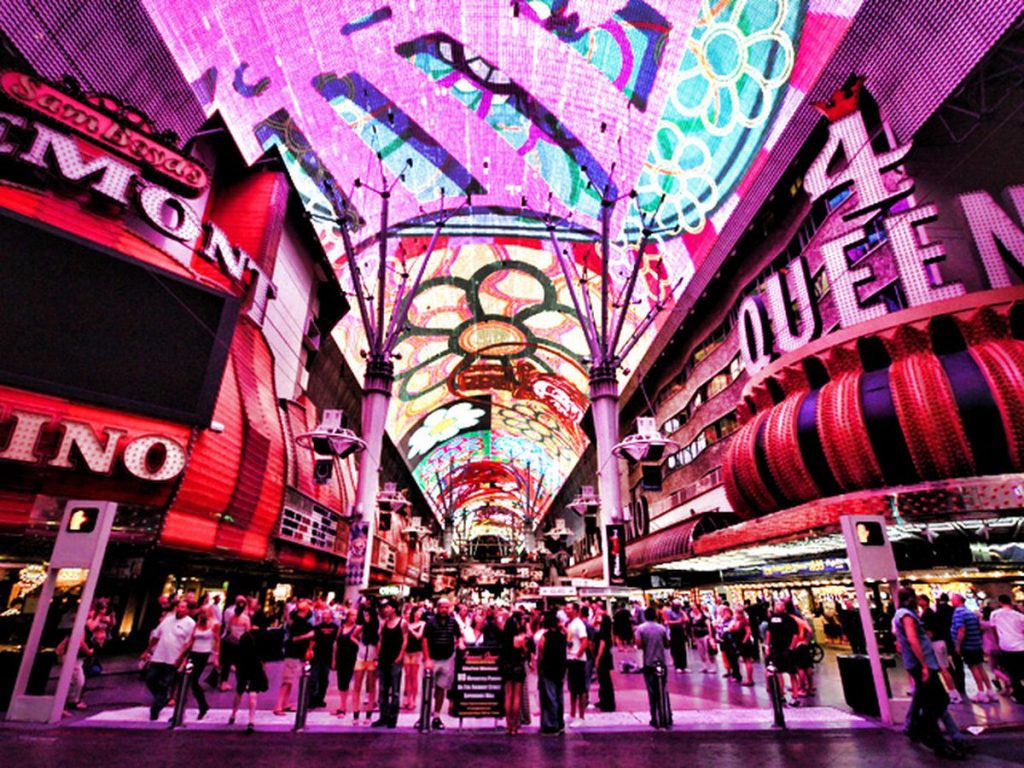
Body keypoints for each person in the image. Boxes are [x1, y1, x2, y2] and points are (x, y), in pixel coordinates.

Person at [893, 586, 963, 758]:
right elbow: (912, 638)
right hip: (921, 664)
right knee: (940, 700)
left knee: (928, 701)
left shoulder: (902, 615)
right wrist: (924, 664)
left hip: (920, 663)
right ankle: (923, 731)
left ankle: (932, 736)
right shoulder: (907, 616)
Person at [141, 599, 195, 721]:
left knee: (166, 683)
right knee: (151, 679)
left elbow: (188, 644)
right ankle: (161, 697)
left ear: (187, 610)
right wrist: (147, 650)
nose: (179, 609)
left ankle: (156, 707)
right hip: (159, 656)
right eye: (178, 607)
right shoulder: (168, 620)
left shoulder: (190, 624)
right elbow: (156, 635)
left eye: (183, 607)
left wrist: (182, 659)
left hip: (173, 659)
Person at [422, 597, 462, 730]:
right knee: (428, 688)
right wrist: (427, 658)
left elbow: (459, 635)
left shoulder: (453, 622)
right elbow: (425, 640)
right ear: (437, 608)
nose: (444, 609)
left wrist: (459, 643)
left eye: (447, 607)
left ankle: (436, 716)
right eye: (442, 607)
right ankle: (424, 715)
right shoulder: (431, 622)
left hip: (446, 659)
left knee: (441, 688)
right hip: (433, 659)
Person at [950, 594, 995, 703]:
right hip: (976, 643)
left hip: (968, 645)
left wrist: (958, 645)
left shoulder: (958, 613)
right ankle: (990, 691)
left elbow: (961, 630)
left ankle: (980, 693)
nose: (951, 602)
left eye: (953, 599)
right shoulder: (970, 612)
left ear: (958, 600)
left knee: (973, 668)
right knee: (980, 667)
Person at [178, 604, 219, 720]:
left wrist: (216, 656)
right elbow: (191, 639)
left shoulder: (214, 624)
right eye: (202, 612)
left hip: (203, 654)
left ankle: (203, 705)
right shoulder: (197, 624)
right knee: (185, 677)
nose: (203, 614)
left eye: (205, 612)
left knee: (194, 679)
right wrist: (182, 654)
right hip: (193, 654)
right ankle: (184, 708)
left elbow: (217, 641)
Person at [274, 598, 314, 716]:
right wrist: (308, 635)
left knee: (291, 680)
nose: (309, 604)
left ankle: (285, 703)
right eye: (306, 603)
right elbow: (294, 638)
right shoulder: (296, 620)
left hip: (300, 653)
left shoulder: (306, 618)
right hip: (292, 652)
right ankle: (278, 706)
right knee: (287, 680)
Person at [919, 594, 960, 704]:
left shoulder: (928, 614)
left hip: (936, 643)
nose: (918, 602)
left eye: (920, 600)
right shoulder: (930, 613)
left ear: (925, 601)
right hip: (940, 642)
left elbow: (930, 631)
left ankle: (953, 693)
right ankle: (952, 692)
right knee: (943, 668)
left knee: (943, 669)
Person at [373, 600, 408, 728]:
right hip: (384, 659)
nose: (385, 610)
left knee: (395, 691)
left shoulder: (402, 622)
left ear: (393, 608)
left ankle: (393, 718)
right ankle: (383, 716)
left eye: (387, 607)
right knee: (382, 690)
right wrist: (377, 656)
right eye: (384, 608)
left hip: (395, 659)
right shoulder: (384, 624)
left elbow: (405, 641)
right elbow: (380, 641)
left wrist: (400, 656)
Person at [635, 606, 671, 728]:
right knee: (663, 689)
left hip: (649, 662)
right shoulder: (661, 628)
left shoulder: (641, 629)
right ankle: (667, 716)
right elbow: (667, 644)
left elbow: (639, 645)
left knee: (651, 691)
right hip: (661, 661)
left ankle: (654, 717)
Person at [228, 626, 268, 734]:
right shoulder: (259, 643)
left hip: (242, 669)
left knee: (239, 692)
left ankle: (233, 714)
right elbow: (263, 659)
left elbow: (234, 659)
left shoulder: (241, 643)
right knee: (253, 694)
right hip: (255, 669)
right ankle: (251, 720)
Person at [499, 611, 531, 735]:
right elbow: (526, 653)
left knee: (508, 696)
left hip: (507, 665)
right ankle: (515, 727)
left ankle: (508, 726)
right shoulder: (521, 638)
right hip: (518, 666)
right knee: (517, 697)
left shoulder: (505, 637)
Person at [990, 594, 1024, 703]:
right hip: (1021, 645)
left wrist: (998, 641)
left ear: (1000, 602)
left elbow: (993, 629)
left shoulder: (995, 614)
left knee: (1013, 672)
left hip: (1006, 646)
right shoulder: (1019, 616)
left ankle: (1019, 695)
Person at [537, 609, 567, 735]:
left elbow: (541, 653)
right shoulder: (562, 636)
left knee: (550, 697)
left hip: (548, 669)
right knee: (559, 697)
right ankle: (560, 724)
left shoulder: (545, 637)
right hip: (560, 669)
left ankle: (550, 725)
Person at [765, 600, 799, 704]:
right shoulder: (772, 619)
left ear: (784, 607)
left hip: (787, 648)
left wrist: (791, 648)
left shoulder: (790, 619)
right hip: (776, 648)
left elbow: (795, 634)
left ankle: (795, 696)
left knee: (792, 673)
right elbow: (769, 632)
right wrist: (767, 645)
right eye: (776, 605)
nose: (778, 607)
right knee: (778, 672)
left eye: (780, 605)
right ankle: (781, 694)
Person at [352, 601, 380, 724]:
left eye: (368, 615)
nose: (366, 617)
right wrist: (359, 645)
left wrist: (377, 658)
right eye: (364, 615)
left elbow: (379, 643)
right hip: (360, 658)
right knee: (357, 686)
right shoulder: (361, 627)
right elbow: (352, 636)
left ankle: (368, 715)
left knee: (371, 687)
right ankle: (356, 714)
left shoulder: (376, 627)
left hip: (372, 659)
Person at [564, 602, 589, 727]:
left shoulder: (579, 624)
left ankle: (581, 716)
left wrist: (577, 655)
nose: (566, 610)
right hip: (571, 659)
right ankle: (572, 713)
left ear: (575, 610)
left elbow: (585, 642)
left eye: (569, 608)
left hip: (577, 660)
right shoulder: (570, 624)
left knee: (580, 689)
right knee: (573, 689)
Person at [309, 603, 338, 709]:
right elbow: (313, 640)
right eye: (323, 614)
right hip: (317, 655)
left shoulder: (335, 627)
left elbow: (336, 643)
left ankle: (320, 699)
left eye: (326, 614)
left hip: (327, 656)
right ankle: (311, 699)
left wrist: (335, 659)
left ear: (330, 615)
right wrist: (310, 650)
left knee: (324, 679)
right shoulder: (318, 627)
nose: (324, 616)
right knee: (313, 678)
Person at [219, 596, 250, 692]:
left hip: (231, 642)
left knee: (227, 663)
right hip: (241, 642)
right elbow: (248, 631)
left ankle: (223, 683)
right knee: (242, 664)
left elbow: (228, 628)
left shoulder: (232, 617)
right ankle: (243, 683)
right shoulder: (245, 618)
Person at [403, 605, 425, 710]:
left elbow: (419, 636)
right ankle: (408, 699)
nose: (418, 614)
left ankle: (414, 699)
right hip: (407, 651)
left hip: (416, 651)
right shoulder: (407, 623)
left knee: (414, 676)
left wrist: (410, 629)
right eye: (417, 612)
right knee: (407, 675)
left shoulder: (422, 624)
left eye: (420, 613)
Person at [594, 604, 616, 711]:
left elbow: (602, 645)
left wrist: (597, 658)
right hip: (608, 656)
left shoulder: (603, 632)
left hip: (603, 657)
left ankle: (606, 703)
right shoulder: (609, 631)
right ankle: (605, 701)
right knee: (605, 680)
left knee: (604, 680)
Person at [728, 608, 756, 686]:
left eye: (736, 613)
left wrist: (744, 641)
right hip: (739, 643)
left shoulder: (744, 622)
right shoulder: (736, 622)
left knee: (748, 661)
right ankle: (748, 678)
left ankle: (750, 679)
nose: (735, 615)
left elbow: (748, 632)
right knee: (745, 660)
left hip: (744, 644)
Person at [690, 604, 715, 673]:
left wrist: (710, 636)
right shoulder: (693, 618)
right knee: (701, 651)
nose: (694, 610)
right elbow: (692, 628)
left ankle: (712, 666)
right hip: (697, 636)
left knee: (709, 651)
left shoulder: (704, 617)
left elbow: (709, 626)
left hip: (705, 635)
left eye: (695, 608)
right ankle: (704, 666)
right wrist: (693, 636)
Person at [665, 601, 689, 673]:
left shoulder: (681, 612)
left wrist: (683, 613)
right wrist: (678, 621)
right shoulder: (669, 612)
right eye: (676, 605)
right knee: (676, 649)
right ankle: (677, 665)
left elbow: (686, 620)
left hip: (681, 631)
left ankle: (684, 666)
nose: (678, 607)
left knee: (683, 649)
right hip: (674, 632)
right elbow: (667, 622)